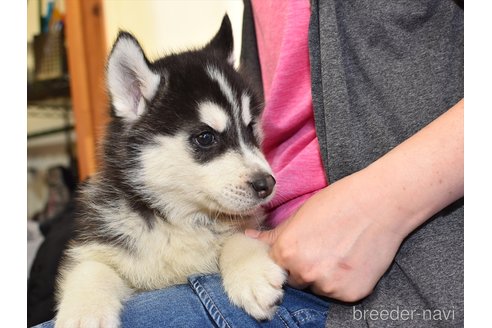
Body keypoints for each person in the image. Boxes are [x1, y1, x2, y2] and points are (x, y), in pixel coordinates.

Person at [35, 0, 463, 327]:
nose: (259, 170)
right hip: (282, 248)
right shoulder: (117, 217)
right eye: (205, 140)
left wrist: (381, 206)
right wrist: (89, 292)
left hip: (407, 281)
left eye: (248, 129)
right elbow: (97, 264)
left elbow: (237, 241)